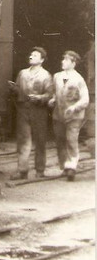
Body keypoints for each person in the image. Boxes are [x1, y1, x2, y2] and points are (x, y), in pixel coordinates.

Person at [8, 47, 54, 180]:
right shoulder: (22, 73)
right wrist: (13, 89)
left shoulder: (46, 75)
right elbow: (17, 90)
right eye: (31, 54)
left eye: (35, 55)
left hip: (39, 110)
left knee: (40, 140)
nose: (31, 56)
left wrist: (39, 98)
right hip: (23, 110)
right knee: (23, 141)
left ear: (42, 60)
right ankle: (22, 170)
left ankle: (40, 170)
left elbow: (49, 94)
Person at [48, 51, 90, 181]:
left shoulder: (79, 79)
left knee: (71, 140)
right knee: (60, 140)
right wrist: (53, 99)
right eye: (63, 59)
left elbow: (85, 99)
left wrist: (74, 107)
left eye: (66, 60)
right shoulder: (57, 76)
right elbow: (55, 92)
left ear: (73, 63)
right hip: (58, 115)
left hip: (74, 116)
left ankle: (72, 167)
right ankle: (64, 167)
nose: (63, 62)